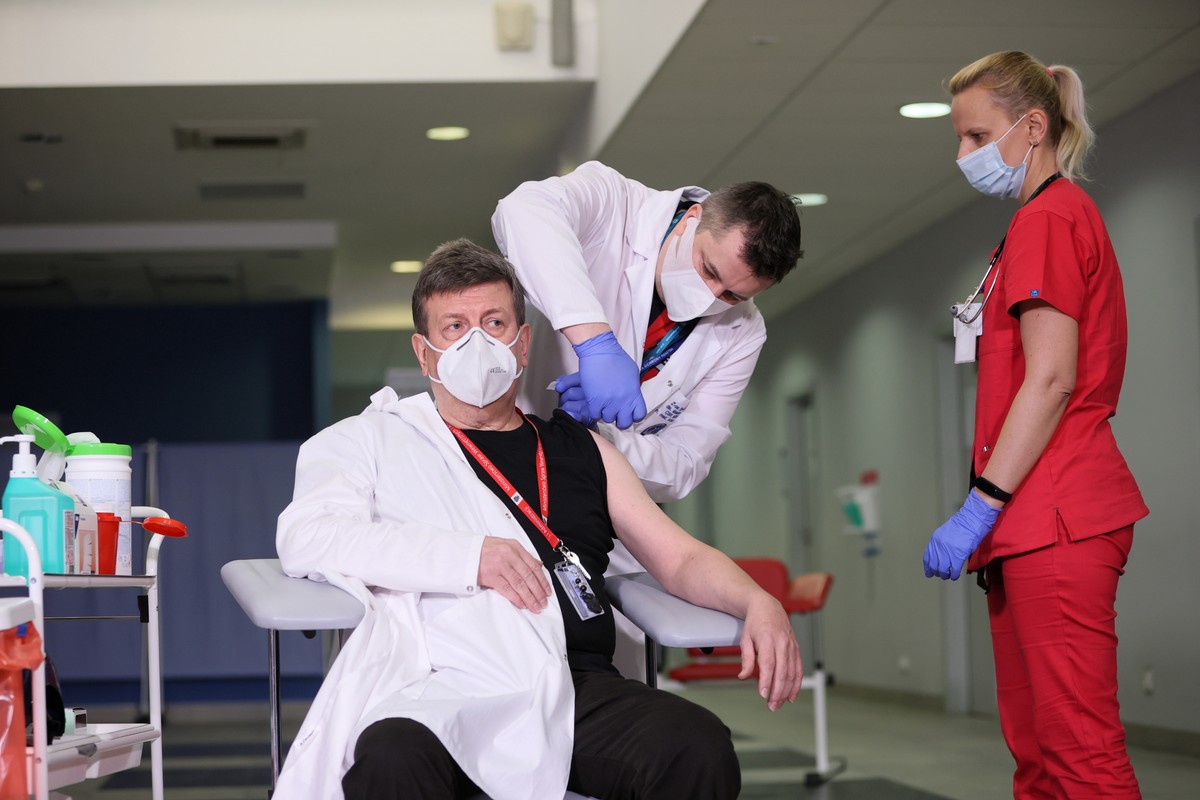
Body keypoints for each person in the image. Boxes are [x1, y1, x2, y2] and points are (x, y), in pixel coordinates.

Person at [274, 238, 802, 800]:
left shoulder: (585, 450)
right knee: (391, 760)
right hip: (439, 684)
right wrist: (468, 557)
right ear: (425, 352)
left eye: (494, 322)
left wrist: (758, 602)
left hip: (571, 685)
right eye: (454, 327)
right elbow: (309, 536)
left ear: (523, 343)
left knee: (694, 745)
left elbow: (680, 557)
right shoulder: (369, 441)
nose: (477, 341)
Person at [922, 51, 1148, 799]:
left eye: (975, 136)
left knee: (1079, 755)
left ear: (1033, 126)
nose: (964, 154)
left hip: (1057, 517)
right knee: (1041, 761)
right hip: (1029, 525)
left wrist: (979, 504)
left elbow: (1050, 380)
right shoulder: (1041, 219)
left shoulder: (1049, 217)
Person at [492, 160, 804, 503]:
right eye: (709, 270)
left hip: (602, 501)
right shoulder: (614, 202)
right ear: (690, 219)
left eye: (733, 295)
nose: (710, 297)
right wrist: (596, 342)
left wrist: (603, 437)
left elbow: (685, 464)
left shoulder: (744, 332)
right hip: (505, 459)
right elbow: (523, 210)